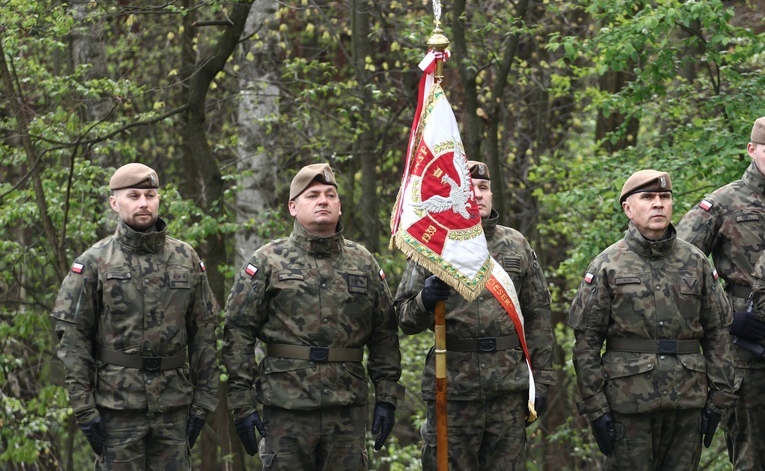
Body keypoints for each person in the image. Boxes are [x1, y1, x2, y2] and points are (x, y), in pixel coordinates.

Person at [222, 163, 403, 470]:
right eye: (313, 195)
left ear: (340, 206)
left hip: (346, 410)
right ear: (293, 207)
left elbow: (384, 334)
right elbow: (237, 330)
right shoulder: (268, 260)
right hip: (286, 408)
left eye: (330, 195)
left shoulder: (363, 263)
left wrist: (387, 397)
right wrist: (242, 403)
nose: (323, 200)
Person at [51, 163, 220, 470]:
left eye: (150, 195)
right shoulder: (95, 261)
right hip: (117, 408)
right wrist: (84, 409)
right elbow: (72, 338)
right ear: (114, 202)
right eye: (134, 195)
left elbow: (205, 333)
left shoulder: (186, 258)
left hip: (174, 406)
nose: (144, 203)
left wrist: (204, 401)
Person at [569, 169, 737, 469]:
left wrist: (718, 401)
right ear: (628, 208)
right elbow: (586, 344)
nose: (658, 204)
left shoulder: (695, 261)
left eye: (664, 197)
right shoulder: (608, 264)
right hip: (628, 406)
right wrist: (596, 410)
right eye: (648, 197)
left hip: (687, 403)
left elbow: (719, 335)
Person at [394, 160, 557, 470]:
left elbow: (538, 316)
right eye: (469, 189)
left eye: (484, 188)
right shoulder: (433, 243)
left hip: (508, 389)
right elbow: (404, 318)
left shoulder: (516, 245)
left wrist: (544, 380)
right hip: (452, 388)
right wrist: (425, 300)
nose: (478, 195)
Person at [676, 117, 765, 469]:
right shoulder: (725, 203)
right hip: (751, 347)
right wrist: (727, 313)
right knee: (752, 454)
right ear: (752, 149)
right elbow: (678, 265)